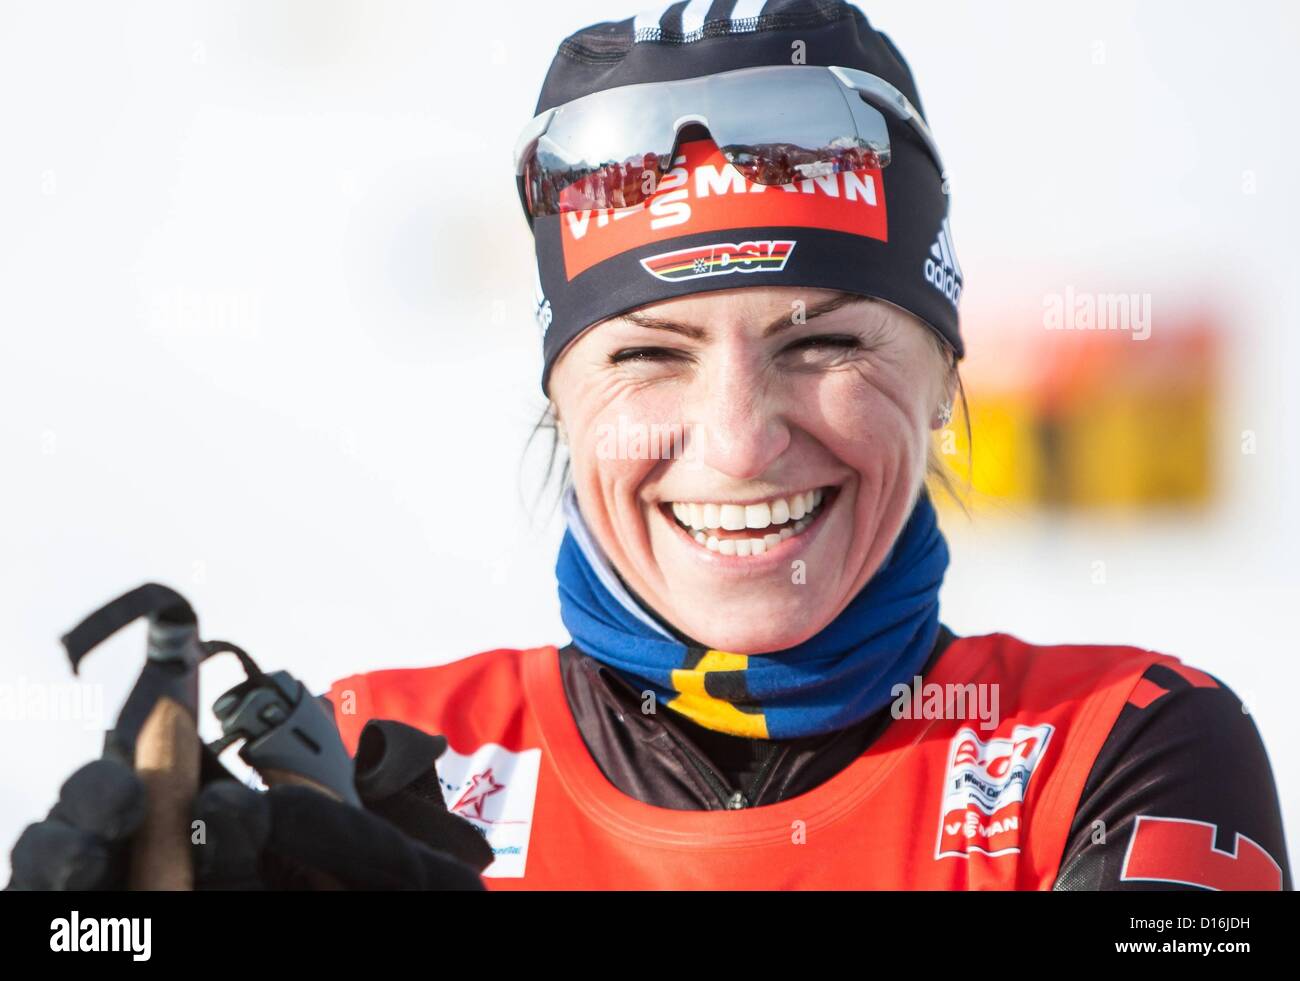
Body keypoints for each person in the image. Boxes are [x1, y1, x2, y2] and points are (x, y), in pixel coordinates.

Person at [9, 0, 1291, 892]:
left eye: (820, 343)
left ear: (943, 377)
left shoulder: (1121, 748)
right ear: (557, 398)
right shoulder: (373, 762)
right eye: (647, 352)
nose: (737, 441)